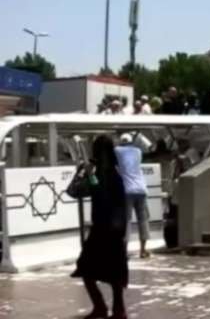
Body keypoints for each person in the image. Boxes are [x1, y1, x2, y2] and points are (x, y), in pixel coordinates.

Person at [72, 135, 130, 319]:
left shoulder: (113, 176)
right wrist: (82, 174)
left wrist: (89, 176)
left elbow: (102, 196)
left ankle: (114, 309)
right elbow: (75, 192)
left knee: (111, 272)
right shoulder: (100, 173)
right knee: (89, 269)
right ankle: (105, 308)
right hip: (104, 229)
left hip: (109, 230)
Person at [115, 134, 151, 259]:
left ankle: (123, 251)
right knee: (143, 220)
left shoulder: (117, 150)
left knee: (127, 220)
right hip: (141, 189)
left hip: (127, 190)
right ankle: (143, 250)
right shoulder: (138, 151)